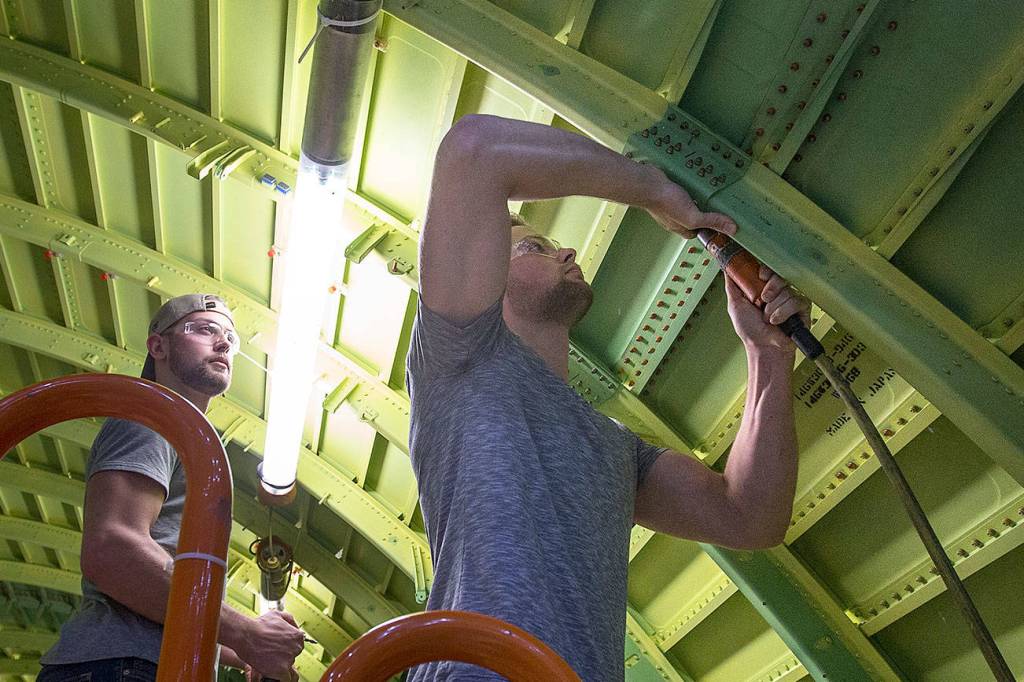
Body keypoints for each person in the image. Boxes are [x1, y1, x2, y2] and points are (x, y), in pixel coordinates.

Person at [406, 115, 809, 681]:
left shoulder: (617, 448)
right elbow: (475, 149)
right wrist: (653, 190)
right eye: (536, 247)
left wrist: (767, 353)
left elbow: (750, 516)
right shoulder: (457, 354)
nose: (567, 251)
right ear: (490, 270)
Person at [38, 294, 305, 682]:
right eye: (204, 329)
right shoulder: (152, 417)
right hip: (121, 667)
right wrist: (245, 632)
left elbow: (165, 611)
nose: (223, 343)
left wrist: (247, 650)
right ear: (158, 346)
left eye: (230, 337)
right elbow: (112, 549)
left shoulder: (188, 435)